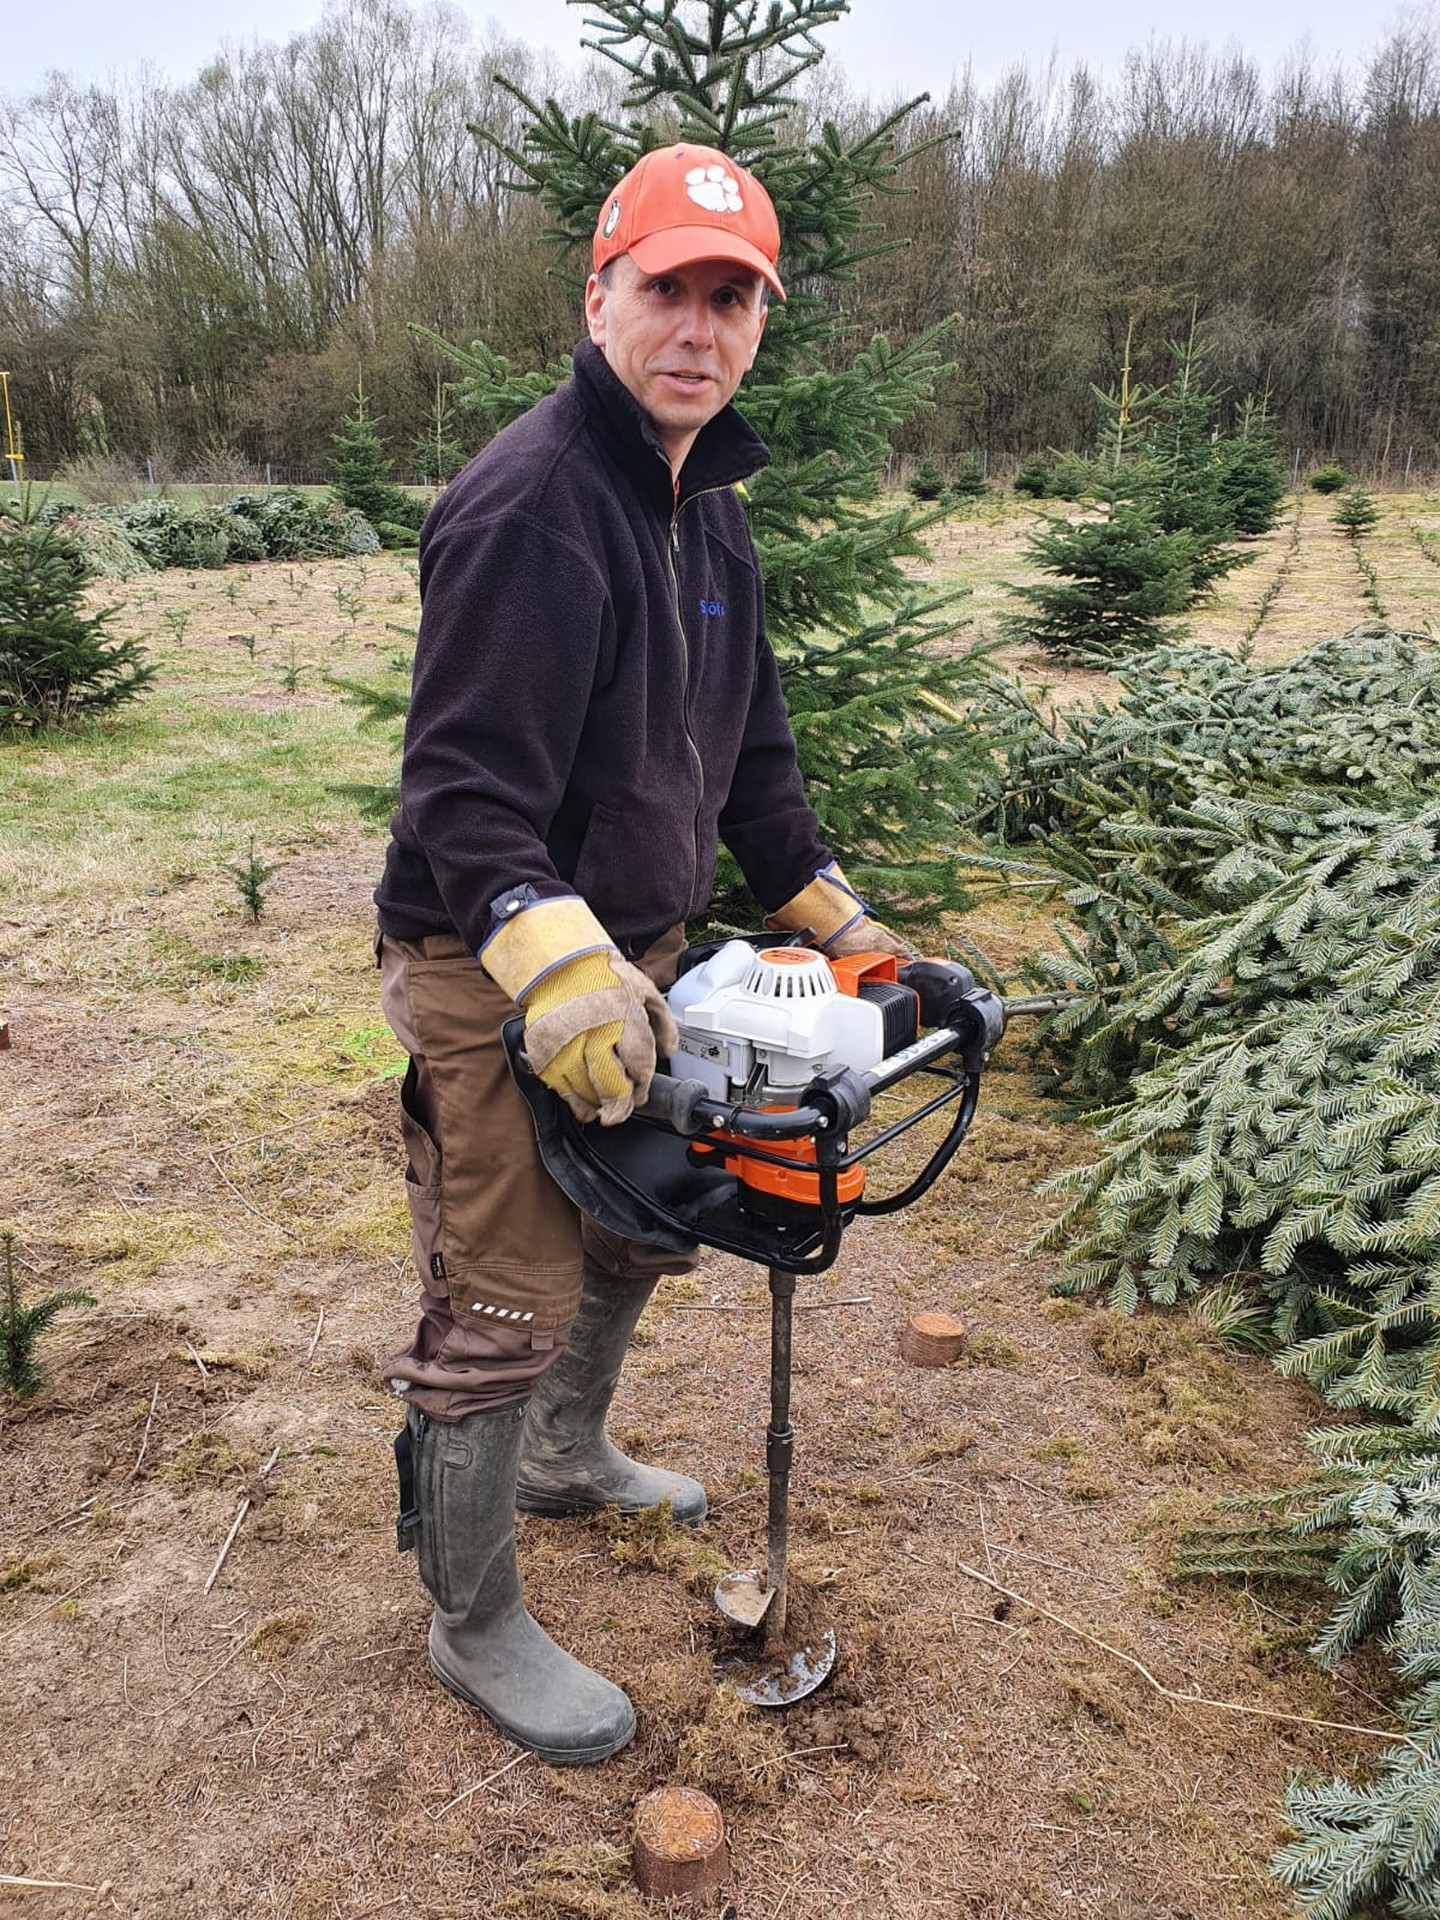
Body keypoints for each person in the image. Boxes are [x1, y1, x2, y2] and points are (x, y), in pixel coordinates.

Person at [373, 142, 908, 1766]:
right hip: (498, 960)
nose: (699, 324)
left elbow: (754, 766)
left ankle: (566, 1453)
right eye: (666, 286)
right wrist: (557, 971)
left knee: (641, 1224)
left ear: (761, 322)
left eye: (730, 295)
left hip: (645, 952)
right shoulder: (539, 502)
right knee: (505, 1288)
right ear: (597, 295)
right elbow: (463, 795)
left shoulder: (705, 509)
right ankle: (474, 1624)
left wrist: (851, 932)